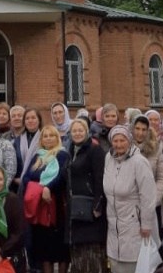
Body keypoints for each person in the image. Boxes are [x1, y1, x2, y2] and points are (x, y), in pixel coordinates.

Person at [102, 125, 157, 273]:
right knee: (115, 264)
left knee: (133, 265)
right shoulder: (109, 158)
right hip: (113, 224)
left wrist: (146, 223)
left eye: (122, 140)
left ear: (130, 141)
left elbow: (148, 195)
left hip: (134, 223)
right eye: (115, 140)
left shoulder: (139, 162)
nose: (118, 144)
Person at [23, 124, 70, 273]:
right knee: (44, 250)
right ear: (41, 139)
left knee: (61, 251)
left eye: (52, 136)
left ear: (57, 138)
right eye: (45, 136)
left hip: (57, 207)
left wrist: (48, 187)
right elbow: (26, 178)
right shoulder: (38, 156)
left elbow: (62, 177)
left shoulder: (63, 155)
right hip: (40, 207)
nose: (48, 138)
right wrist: (39, 189)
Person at [66, 117, 107, 273]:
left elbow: (100, 177)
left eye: (80, 130)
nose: (77, 133)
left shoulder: (94, 150)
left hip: (90, 209)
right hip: (75, 209)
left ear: (86, 131)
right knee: (78, 255)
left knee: (92, 254)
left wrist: (98, 204)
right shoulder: (71, 151)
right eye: (74, 131)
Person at [14, 107, 42, 190]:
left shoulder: (45, 139)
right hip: (18, 184)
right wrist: (14, 179)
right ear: (24, 122)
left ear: (39, 120)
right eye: (27, 118)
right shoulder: (17, 141)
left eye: (33, 118)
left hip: (37, 184)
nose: (30, 120)